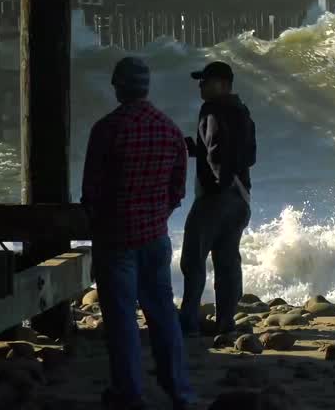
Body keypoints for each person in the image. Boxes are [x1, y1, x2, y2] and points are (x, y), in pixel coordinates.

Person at [82, 57, 194, 410]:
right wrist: (157, 215)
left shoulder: (107, 129)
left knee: (122, 322)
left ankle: (130, 394)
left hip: (116, 241)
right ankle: (179, 391)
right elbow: (178, 190)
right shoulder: (169, 129)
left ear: (118, 86)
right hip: (156, 239)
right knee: (163, 315)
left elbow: (92, 192)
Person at [179, 60, 256, 337]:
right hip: (241, 197)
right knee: (227, 262)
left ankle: (187, 320)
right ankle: (226, 321)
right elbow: (249, 156)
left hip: (216, 198)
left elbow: (215, 151)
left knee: (193, 259)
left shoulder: (211, 110)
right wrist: (196, 150)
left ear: (222, 84)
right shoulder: (242, 111)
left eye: (206, 81)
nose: (200, 86)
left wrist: (217, 184)